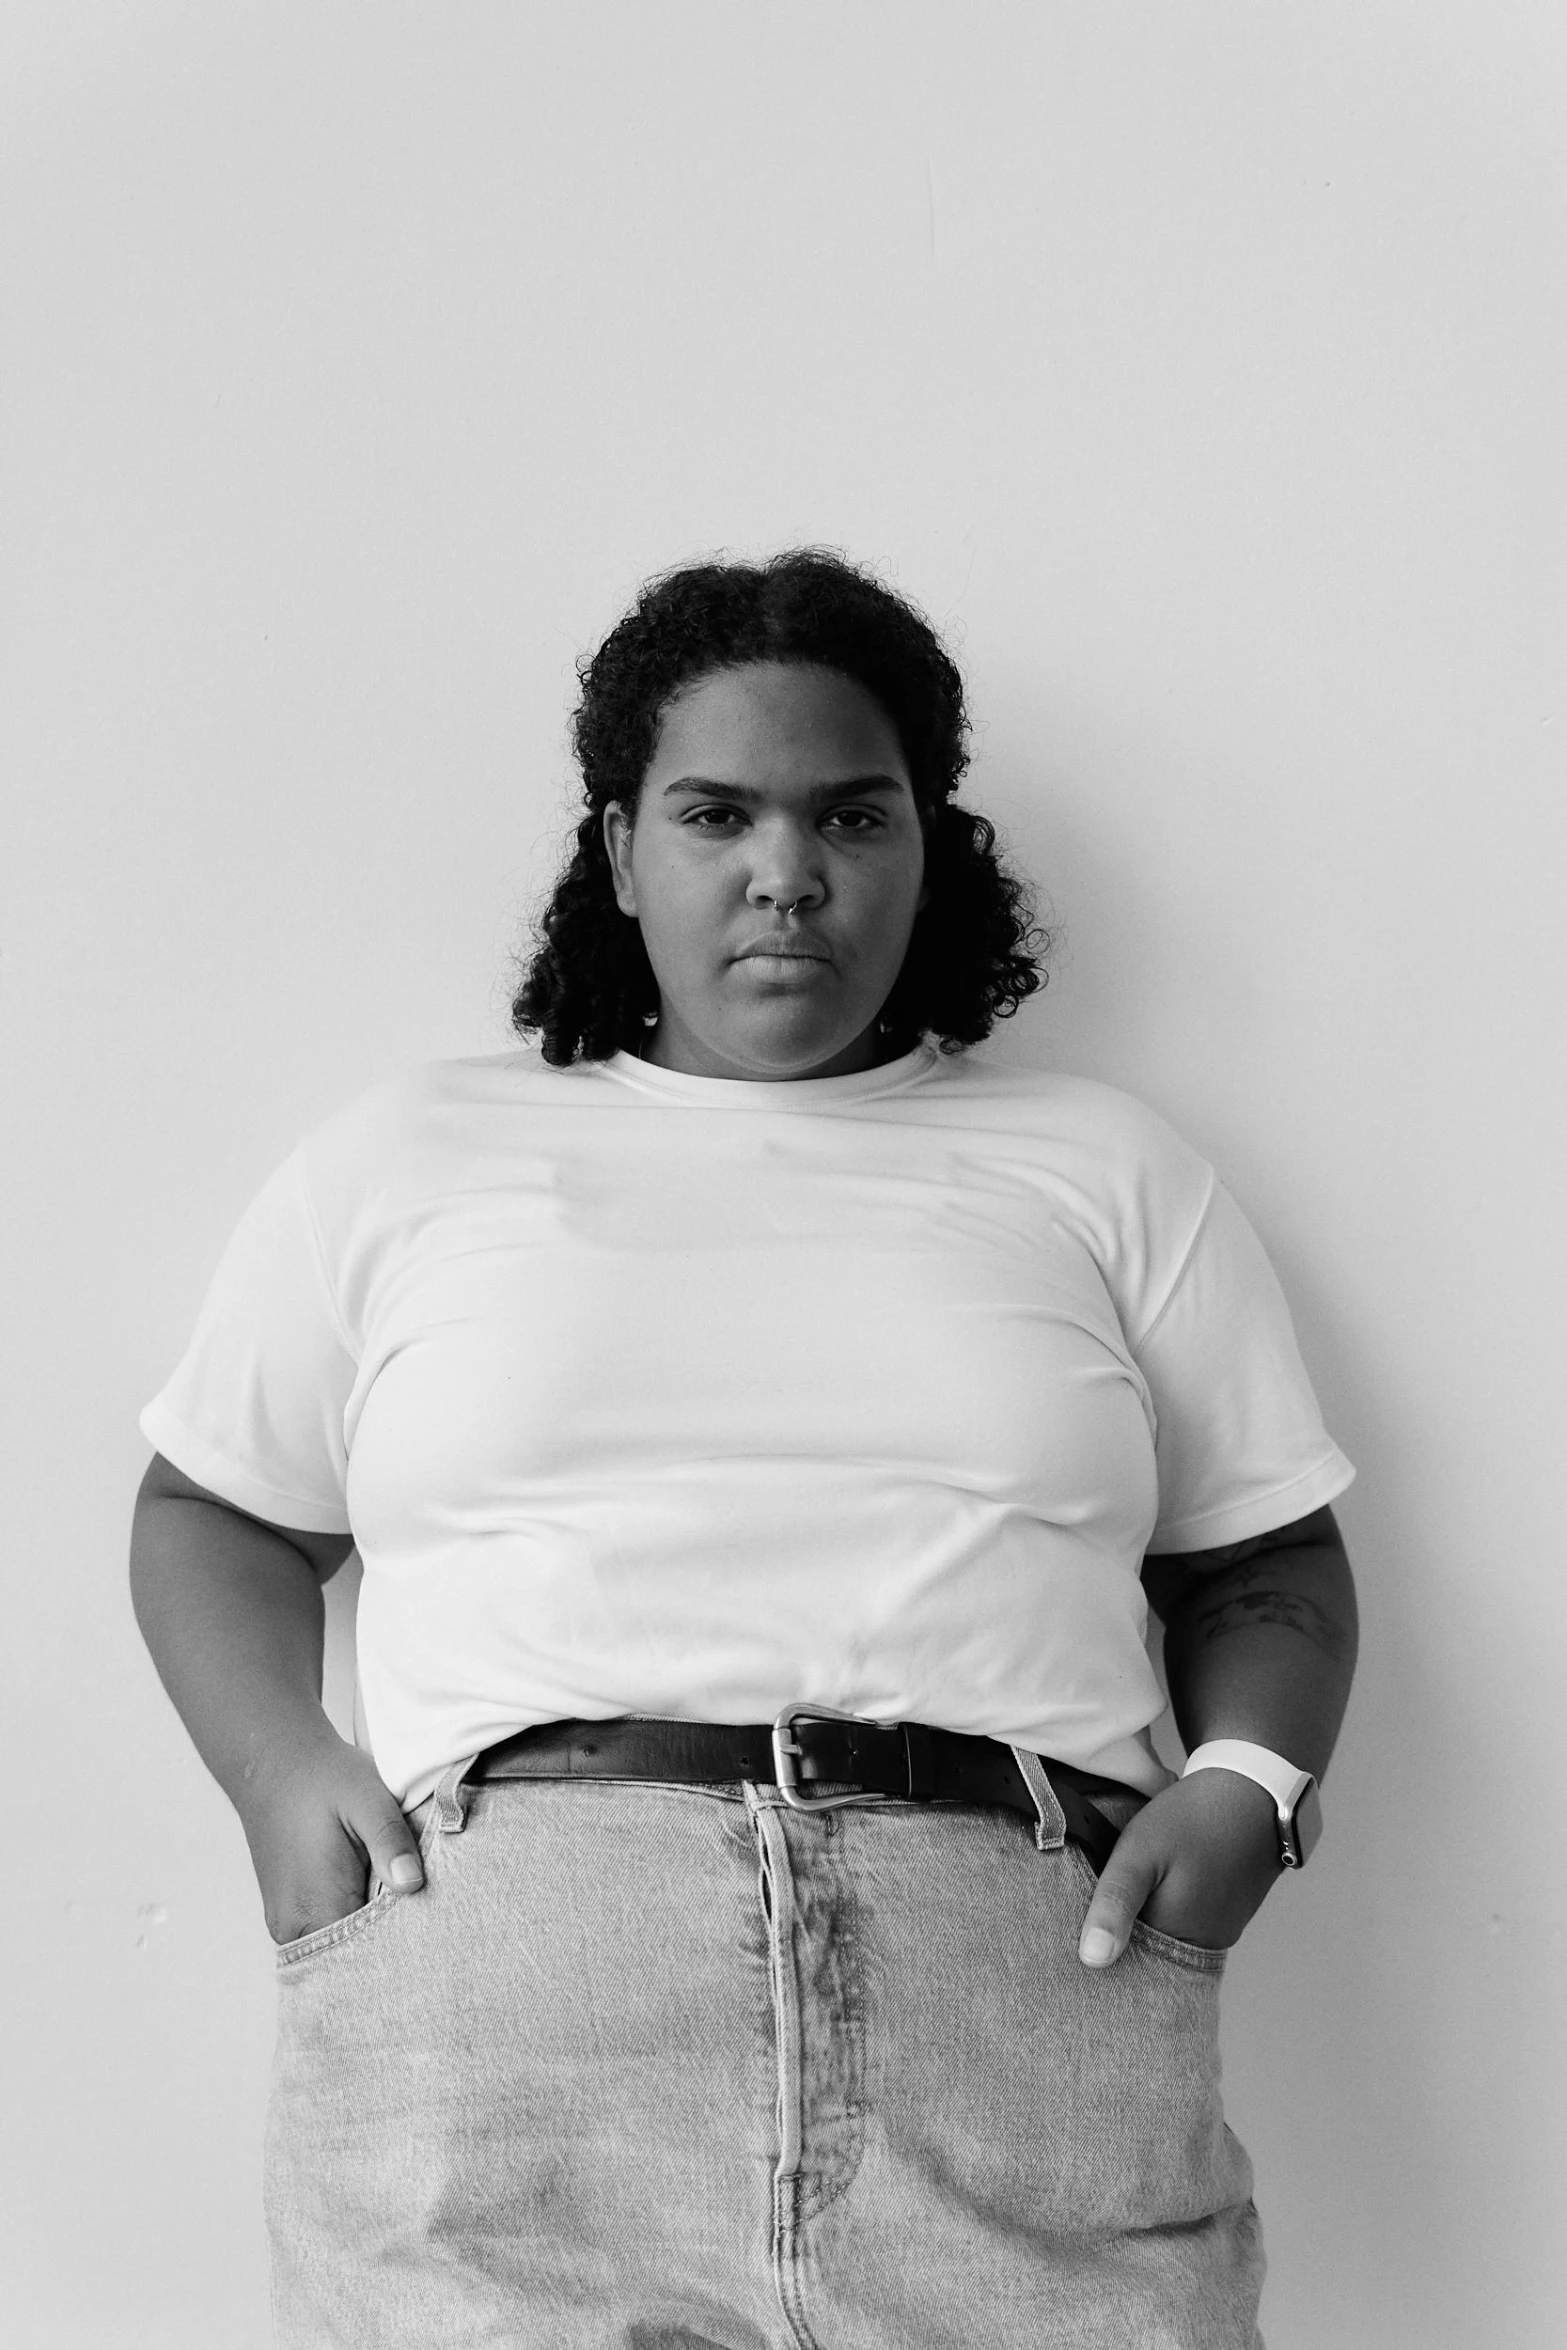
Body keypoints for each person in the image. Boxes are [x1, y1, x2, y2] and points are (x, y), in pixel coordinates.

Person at [130, 548, 1358, 2350]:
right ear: (620, 850)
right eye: (716, 814)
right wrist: (271, 1772)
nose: (786, 873)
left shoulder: (1101, 1166)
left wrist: (1246, 1785)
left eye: (850, 815)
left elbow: (1261, 1559)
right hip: (510, 2022)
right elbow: (209, 1511)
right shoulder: (410, 1160)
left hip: (1022, 1995)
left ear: (924, 844)